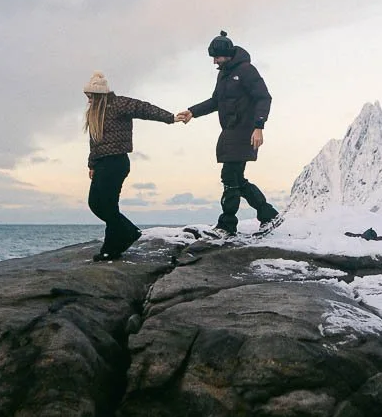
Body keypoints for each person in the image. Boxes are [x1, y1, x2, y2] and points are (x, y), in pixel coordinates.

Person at [175, 32, 279, 234]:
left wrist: (259, 127)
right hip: (230, 132)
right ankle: (269, 215)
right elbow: (216, 101)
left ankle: (227, 225)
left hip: (245, 132)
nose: (214, 61)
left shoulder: (246, 70)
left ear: (227, 54)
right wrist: (192, 112)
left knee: (230, 177)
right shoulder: (223, 74)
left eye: (217, 57)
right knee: (237, 179)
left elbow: (264, 98)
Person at [84, 71, 175, 261]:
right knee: (99, 204)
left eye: (91, 95)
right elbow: (94, 142)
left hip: (116, 161)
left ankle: (125, 236)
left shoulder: (119, 104)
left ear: (100, 94)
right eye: (87, 96)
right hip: (102, 163)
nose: (89, 99)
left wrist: (170, 117)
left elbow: (145, 109)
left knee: (104, 206)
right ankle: (115, 246)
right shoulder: (94, 114)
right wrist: (91, 164)